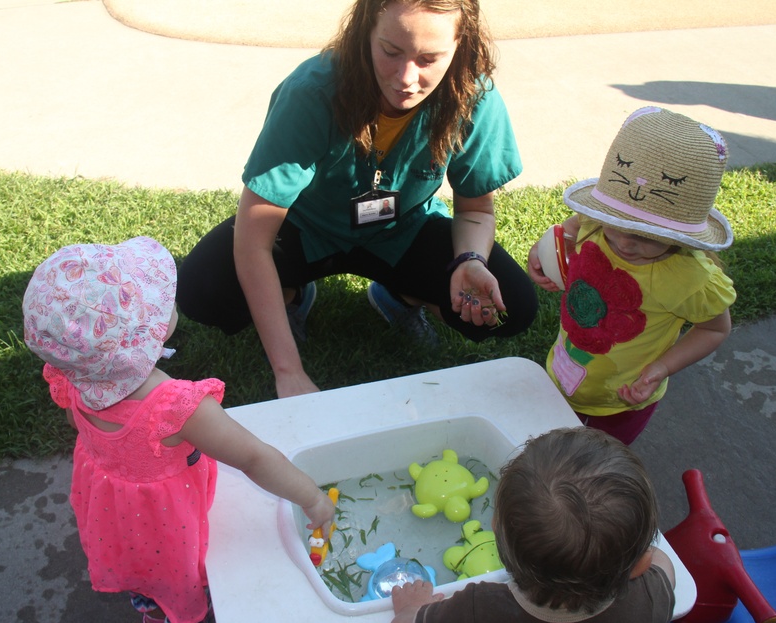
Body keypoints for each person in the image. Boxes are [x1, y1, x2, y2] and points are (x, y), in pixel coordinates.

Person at [176, 0, 538, 399]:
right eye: (391, 51)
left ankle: (400, 296)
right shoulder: (311, 91)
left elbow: (475, 210)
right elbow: (253, 239)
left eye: (429, 58)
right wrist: (288, 370)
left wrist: (469, 260)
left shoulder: (473, 95)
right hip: (307, 228)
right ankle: (291, 293)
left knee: (511, 308)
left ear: (460, 46)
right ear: (365, 30)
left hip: (404, 231)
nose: (406, 77)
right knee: (202, 291)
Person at [22, 237, 335, 623]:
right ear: (150, 332)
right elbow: (254, 457)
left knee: (145, 580)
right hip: (167, 530)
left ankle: (151, 614)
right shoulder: (175, 408)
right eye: (159, 302)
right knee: (186, 598)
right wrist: (313, 497)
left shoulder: (75, 375)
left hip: (114, 518)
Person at [526, 106, 737, 445]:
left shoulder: (690, 278)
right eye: (617, 223)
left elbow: (715, 328)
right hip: (561, 374)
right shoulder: (594, 221)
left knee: (595, 466)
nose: (625, 241)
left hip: (620, 403)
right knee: (550, 449)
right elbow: (565, 233)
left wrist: (662, 368)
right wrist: (543, 256)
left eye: (647, 236)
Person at [388, 426, 676, 623]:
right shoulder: (649, 597)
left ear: (495, 529)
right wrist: (635, 555)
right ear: (640, 565)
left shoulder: (480, 611)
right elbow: (665, 568)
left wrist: (409, 610)